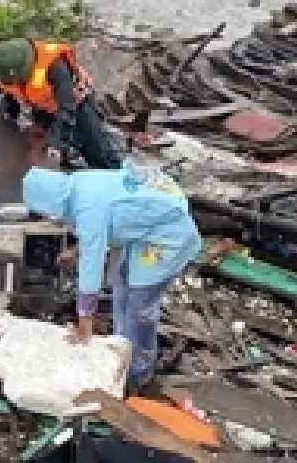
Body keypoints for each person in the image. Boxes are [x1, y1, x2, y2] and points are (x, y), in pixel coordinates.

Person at [21, 163, 202, 393]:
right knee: (122, 287)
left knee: (140, 302)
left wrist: (84, 321)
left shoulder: (87, 207)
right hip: (147, 228)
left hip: (168, 237)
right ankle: (121, 345)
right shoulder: (79, 184)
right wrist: (77, 250)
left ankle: (139, 367)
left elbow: (92, 267)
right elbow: (104, 223)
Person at [0, 36, 120, 169]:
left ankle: (114, 177)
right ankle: (64, 162)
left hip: (76, 104)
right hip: (42, 106)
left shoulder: (55, 66)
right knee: (42, 148)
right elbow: (6, 93)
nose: (15, 84)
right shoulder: (2, 68)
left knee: (98, 152)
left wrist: (56, 143)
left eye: (18, 80)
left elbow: (67, 108)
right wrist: (8, 115)